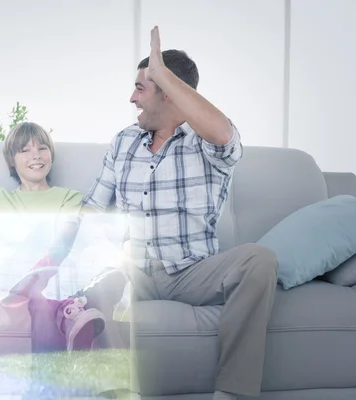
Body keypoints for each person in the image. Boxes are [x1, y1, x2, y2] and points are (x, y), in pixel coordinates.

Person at [82, 26, 279, 400]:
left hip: (190, 271)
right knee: (98, 282)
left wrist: (164, 73)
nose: (131, 98)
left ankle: (233, 392)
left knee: (260, 260)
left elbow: (225, 136)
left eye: (141, 88)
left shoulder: (205, 143)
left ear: (169, 94)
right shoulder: (124, 140)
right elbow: (92, 208)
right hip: (131, 269)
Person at [0, 109, 127, 352]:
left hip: (62, 284)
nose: (35, 155)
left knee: (121, 321)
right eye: (24, 150)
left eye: (42, 148)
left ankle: (81, 315)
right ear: (12, 161)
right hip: (36, 289)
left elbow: (75, 239)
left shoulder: (70, 198)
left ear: (51, 156)